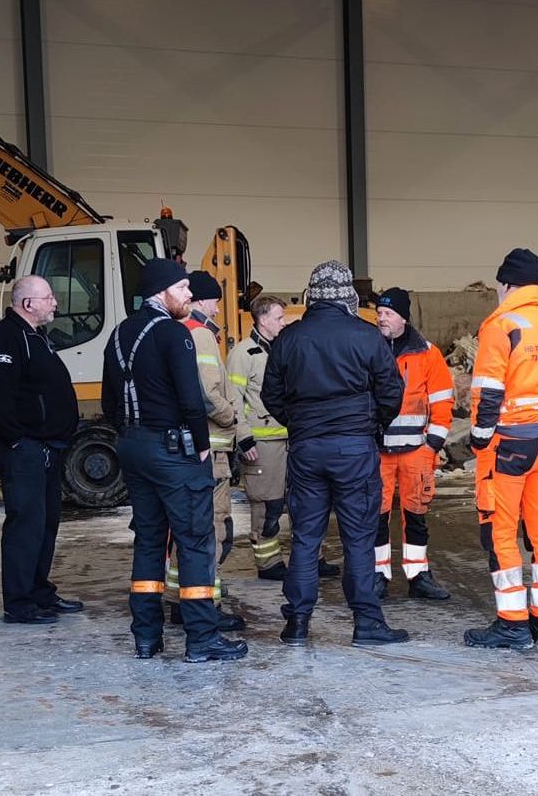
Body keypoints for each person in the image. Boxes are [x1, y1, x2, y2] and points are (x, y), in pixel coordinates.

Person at [100, 258, 247, 662]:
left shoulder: (118, 334)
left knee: (149, 541)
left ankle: (146, 637)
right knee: (196, 541)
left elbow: (109, 401)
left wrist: (134, 434)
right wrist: (201, 444)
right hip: (173, 452)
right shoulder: (173, 334)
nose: (188, 296)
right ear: (162, 292)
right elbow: (192, 398)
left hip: (133, 446)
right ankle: (202, 638)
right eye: (183, 289)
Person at [262, 259, 408, 647]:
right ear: (348, 296)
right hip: (354, 449)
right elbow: (392, 392)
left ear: (312, 296)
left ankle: (296, 624)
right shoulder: (366, 336)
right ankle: (367, 624)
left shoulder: (288, 339)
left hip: (307, 450)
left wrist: (300, 424)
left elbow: (271, 395)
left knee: (306, 539)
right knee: (358, 538)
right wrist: (371, 425)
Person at [464, 249, 538, 650]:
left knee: (502, 533)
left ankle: (512, 623)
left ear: (505, 284)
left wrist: (479, 438)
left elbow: (489, 391)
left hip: (509, 448)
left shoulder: (502, 325)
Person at [0, 275, 82, 625]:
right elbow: (1, 397)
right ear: (28, 304)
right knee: (26, 525)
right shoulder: (7, 338)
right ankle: (19, 603)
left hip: (45, 447)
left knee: (46, 523)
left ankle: (40, 591)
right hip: (24, 449)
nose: (55, 303)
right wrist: (17, 441)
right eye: (49, 297)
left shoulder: (36, 337)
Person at [226, 294, 341, 582]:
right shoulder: (244, 354)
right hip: (263, 445)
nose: (284, 322)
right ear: (263, 320)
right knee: (267, 504)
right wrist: (245, 439)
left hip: (294, 440)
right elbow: (233, 401)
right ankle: (269, 564)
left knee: (306, 501)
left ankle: (311, 558)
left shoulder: (284, 349)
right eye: (279, 317)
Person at [162, 270, 245, 631]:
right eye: (213, 299)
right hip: (210, 451)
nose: (216, 306)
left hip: (185, 449)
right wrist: (233, 420)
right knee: (212, 528)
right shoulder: (203, 335)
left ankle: (179, 598)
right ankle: (203, 604)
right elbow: (210, 394)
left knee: (186, 529)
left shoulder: (173, 331)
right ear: (200, 300)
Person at [374, 287, 454, 600]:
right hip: (378, 453)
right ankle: (378, 574)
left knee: (416, 515)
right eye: (379, 313)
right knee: (376, 516)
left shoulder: (427, 354)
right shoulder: (369, 349)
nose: (381, 318)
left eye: (388, 313)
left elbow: (443, 402)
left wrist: (431, 445)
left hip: (416, 452)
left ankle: (417, 574)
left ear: (404, 318)